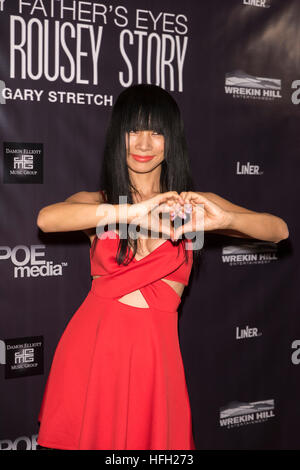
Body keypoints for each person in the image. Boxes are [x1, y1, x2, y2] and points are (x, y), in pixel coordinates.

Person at [36, 84, 289, 450]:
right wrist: (130, 212)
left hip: (155, 362)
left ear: (172, 140)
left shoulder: (193, 204)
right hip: (92, 357)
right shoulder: (99, 204)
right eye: (133, 130)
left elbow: (279, 230)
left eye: (156, 132)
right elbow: (47, 219)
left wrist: (222, 220)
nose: (143, 143)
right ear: (117, 136)